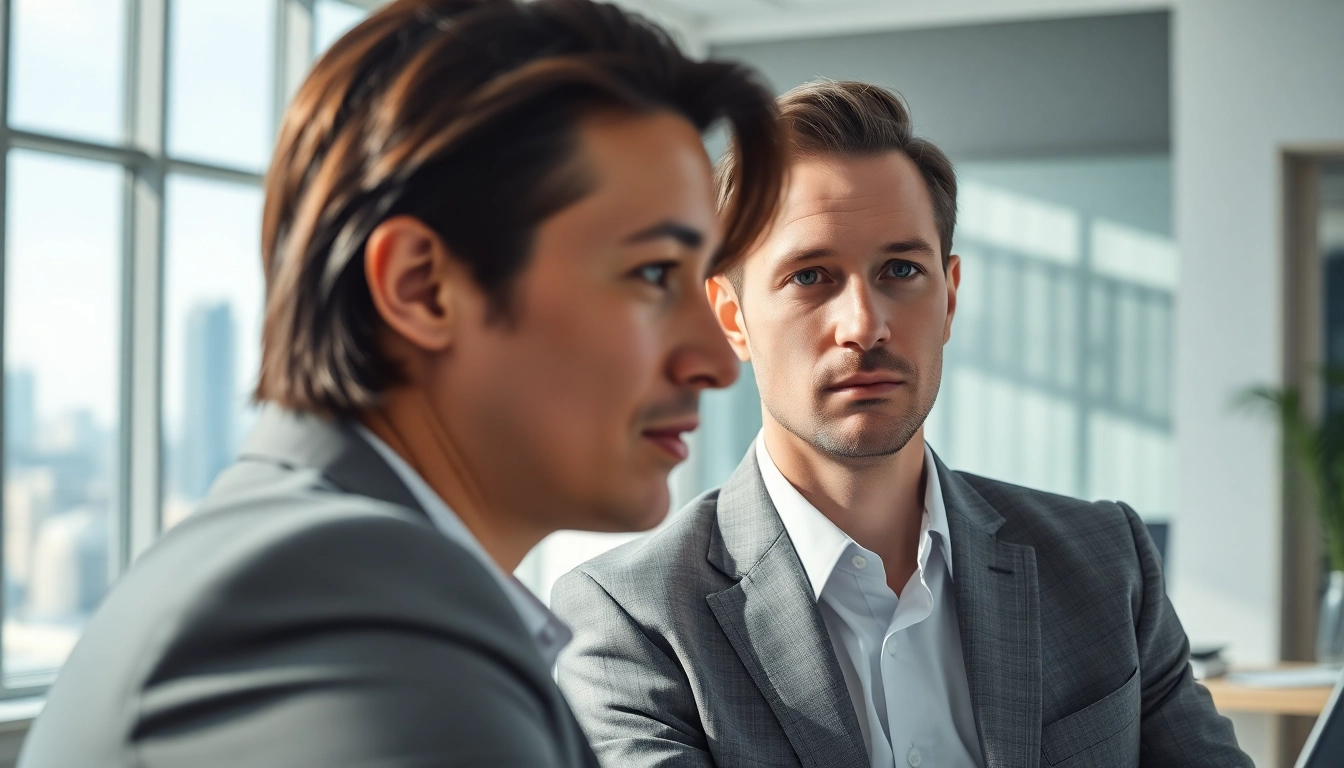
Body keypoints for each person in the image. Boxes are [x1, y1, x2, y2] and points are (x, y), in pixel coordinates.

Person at [18, 1, 786, 765]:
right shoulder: (336, 608)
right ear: (422, 288)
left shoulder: (330, 578)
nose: (717, 362)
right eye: (653, 273)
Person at [552, 80, 1251, 768]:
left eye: (899, 269)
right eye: (810, 276)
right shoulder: (632, 620)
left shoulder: (1105, 564)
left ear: (949, 297)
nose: (864, 325)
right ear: (732, 319)